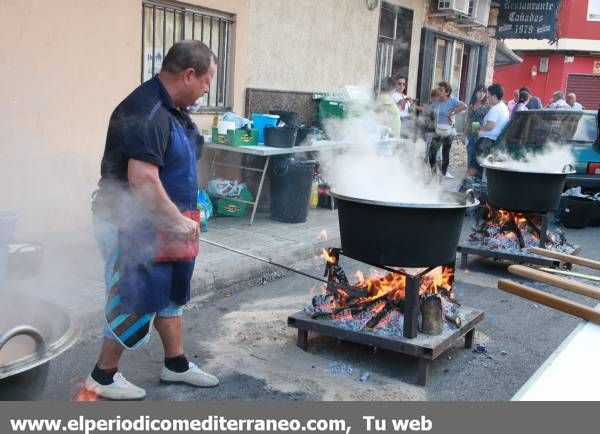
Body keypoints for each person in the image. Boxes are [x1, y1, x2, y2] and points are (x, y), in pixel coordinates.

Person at [87, 41, 219, 400]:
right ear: (189, 75)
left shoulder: (172, 108)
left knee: (169, 294)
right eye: (207, 80)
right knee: (134, 294)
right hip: (129, 224)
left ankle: (175, 365)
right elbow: (142, 179)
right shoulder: (148, 110)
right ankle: (102, 375)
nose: (207, 89)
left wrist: (185, 214)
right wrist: (176, 221)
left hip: (164, 221)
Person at [428, 81, 467, 178]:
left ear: (447, 92)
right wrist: (415, 106)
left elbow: (464, 106)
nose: (439, 92)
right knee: (431, 153)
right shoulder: (437, 102)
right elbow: (427, 108)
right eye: (438, 89)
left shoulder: (452, 101)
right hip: (438, 131)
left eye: (441, 90)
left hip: (449, 132)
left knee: (445, 153)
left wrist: (453, 112)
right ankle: (433, 175)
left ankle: (443, 174)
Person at [473, 83, 510, 178]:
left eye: (488, 96)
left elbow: (490, 126)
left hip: (486, 141)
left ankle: (467, 187)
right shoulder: (504, 107)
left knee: (475, 167)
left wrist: (479, 127)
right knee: (484, 167)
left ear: (494, 96)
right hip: (493, 141)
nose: (487, 98)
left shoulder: (495, 109)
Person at [463, 85, 488, 177]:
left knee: (477, 159)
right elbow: (468, 120)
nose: (481, 94)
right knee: (470, 157)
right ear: (475, 92)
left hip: (481, 136)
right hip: (471, 134)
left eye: (484, 92)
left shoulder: (487, 106)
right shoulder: (471, 105)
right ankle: (468, 177)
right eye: (479, 91)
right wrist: (463, 134)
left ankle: (474, 178)